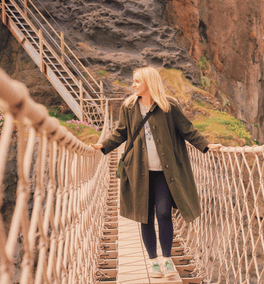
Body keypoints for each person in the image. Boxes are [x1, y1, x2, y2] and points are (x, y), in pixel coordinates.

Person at [91, 66, 222, 278]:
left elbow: (187, 129)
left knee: (163, 213)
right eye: (133, 81)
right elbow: (121, 133)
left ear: (148, 83)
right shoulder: (129, 107)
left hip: (164, 172)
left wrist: (206, 145)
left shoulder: (169, 106)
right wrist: (103, 146)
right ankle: (153, 262)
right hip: (138, 171)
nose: (132, 85)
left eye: (136, 81)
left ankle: (167, 261)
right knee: (144, 217)